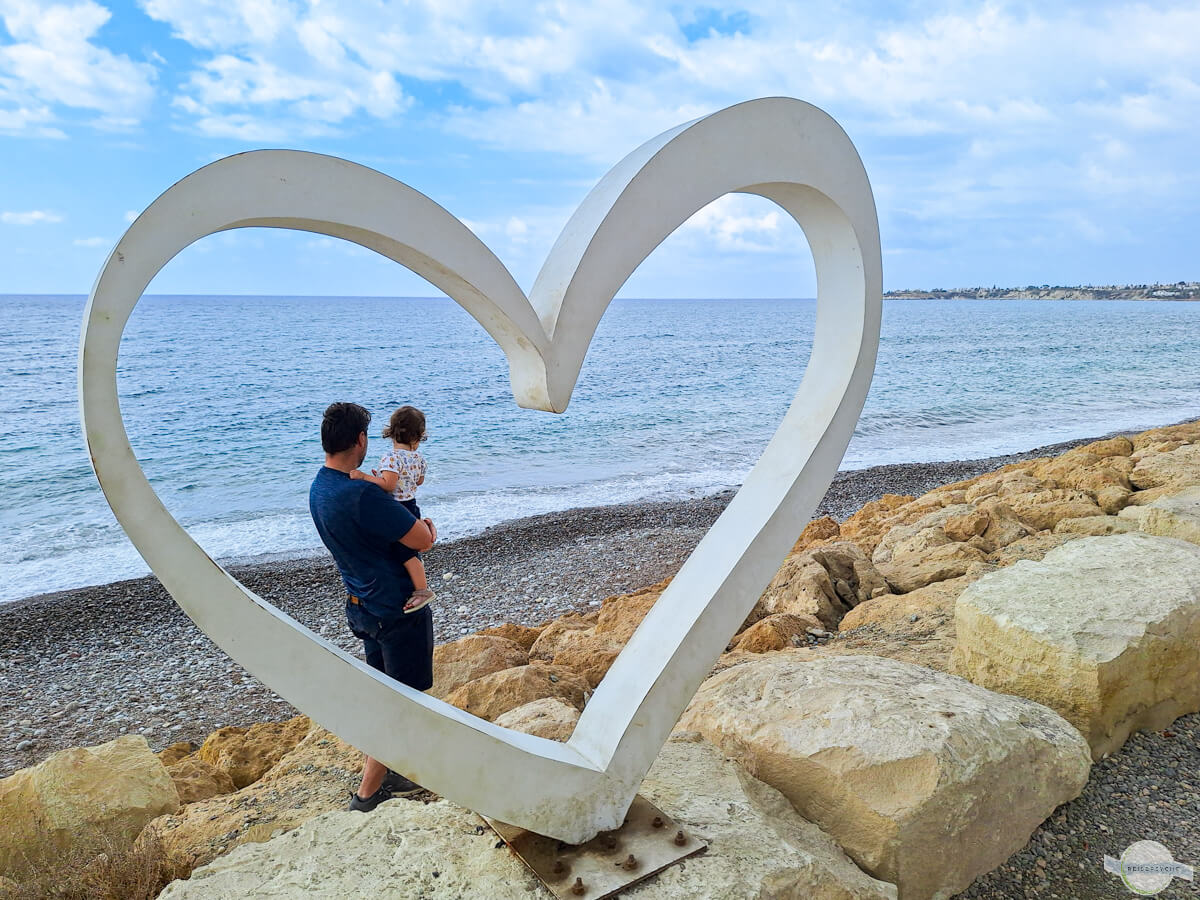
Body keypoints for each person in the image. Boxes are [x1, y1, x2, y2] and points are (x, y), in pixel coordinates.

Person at [308, 401, 437, 813]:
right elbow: (421, 540)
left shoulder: (321, 487)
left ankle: (394, 765)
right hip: (397, 609)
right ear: (360, 440)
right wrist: (427, 530)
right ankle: (367, 794)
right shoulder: (364, 494)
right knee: (400, 702)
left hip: (361, 603)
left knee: (386, 693)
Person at [350, 405, 435, 613]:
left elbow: (388, 485)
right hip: (411, 505)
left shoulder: (391, 457)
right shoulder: (419, 459)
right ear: (418, 436)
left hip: (396, 507)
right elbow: (419, 481)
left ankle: (422, 590)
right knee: (408, 549)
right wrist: (382, 478)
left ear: (392, 431)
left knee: (406, 553)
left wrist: (365, 477)